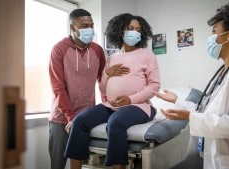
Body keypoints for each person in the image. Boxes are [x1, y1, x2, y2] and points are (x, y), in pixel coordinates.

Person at [155, 1, 229, 169]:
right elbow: (208, 110)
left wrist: (189, 117)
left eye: (214, 31)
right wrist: (177, 101)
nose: (211, 38)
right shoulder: (225, 70)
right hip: (218, 159)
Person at [64, 13, 160, 169]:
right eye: (130, 28)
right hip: (111, 105)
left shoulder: (146, 55)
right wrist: (107, 74)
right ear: (121, 31)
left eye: (138, 29)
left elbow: (154, 86)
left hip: (139, 107)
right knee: (79, 121)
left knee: (115, 123)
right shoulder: (112, 58)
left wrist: (131, 99)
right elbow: (103, 88)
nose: (134, 32)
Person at [48, 8, 106, 169]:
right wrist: (70, 116)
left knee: (81, 164)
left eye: (92, 25)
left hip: (85, 119)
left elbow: (103, 80)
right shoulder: (59, 49)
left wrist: (108, 105)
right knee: (58, 165)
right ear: (73, 28)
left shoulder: (97, 50)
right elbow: (58, 87)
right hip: (61, 119)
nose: (90, 29)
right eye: (84, 25)